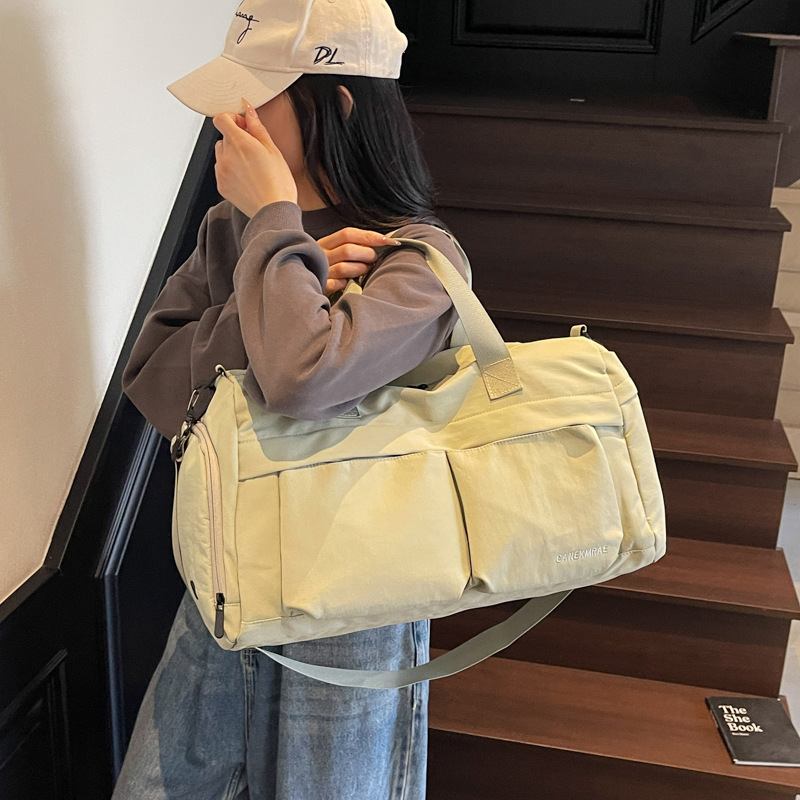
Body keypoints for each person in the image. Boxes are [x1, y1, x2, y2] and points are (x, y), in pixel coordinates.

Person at [114, 1, 469, 798]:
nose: (227, 122)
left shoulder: (418, 259)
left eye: (255, 99)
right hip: (225, 583)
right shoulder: (228, 230)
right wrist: (282, 269)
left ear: (336, 105)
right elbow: (155, 377)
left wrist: (276, 226)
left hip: (352, 610)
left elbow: (301, 377)